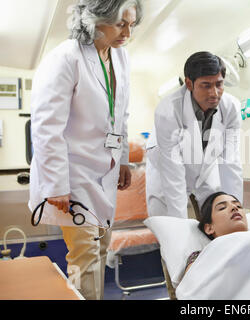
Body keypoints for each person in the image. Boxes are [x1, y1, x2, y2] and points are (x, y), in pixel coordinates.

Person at [28, 0, 143, 300]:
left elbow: (121, 114)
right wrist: (56, 185)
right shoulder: (65, 58)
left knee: (99, 251)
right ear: (96, 18)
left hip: (102, 175)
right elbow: (45, 126)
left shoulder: (121, 58)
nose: (127, 33)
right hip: (71, 176)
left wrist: (122, 162)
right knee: (85, 254)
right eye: (121, 24)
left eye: (132, 24)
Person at [145, 52, 243, 219]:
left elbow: (231, 163)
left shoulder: (231, 107)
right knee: (172, 229)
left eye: (219, 84)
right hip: (166, 173)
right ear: (189, 83)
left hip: (204, 170)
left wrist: (236, 211)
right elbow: (173, 174)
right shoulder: (169, 110)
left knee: (217, 219)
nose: (214, 93)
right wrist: (180, 230)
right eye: (206, 85)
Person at [185, 191, 247, 273]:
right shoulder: (202, 258)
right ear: (209, 228)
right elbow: (192, 284)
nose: (234, 207)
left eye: (238, 206)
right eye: (222, 208)